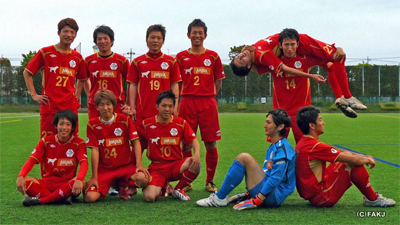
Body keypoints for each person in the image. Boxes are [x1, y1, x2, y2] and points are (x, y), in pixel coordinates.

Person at [239, 30, 366, 116]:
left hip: (302, 112)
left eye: (292, 45)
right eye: (287, 45)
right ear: (281, 45)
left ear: (297, 44)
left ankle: (345, 97)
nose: (290, 48)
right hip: (281, 111)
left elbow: (331, 66)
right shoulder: (268, 60)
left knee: (336, 57)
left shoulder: (304, 57)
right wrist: (310, 76)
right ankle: (344, 97)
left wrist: (337, 48)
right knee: (277, 144)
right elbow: (262, 68)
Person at [295, 105, 396, 207]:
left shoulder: (305, 142)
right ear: (312, 125)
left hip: (313, 194)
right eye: (320, 120)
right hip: (322, 197)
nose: (323, 123)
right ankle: (372, 198)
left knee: (347, 158)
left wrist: (362, 156)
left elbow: (338, 151)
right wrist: (367, 160)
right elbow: (353, 160)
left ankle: (371, 197)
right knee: (351, 162)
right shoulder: (313, 146)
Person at [196, 109, 296, 210]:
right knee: (243, 158)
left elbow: (276, 179)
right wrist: (249, 194)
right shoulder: (275, 146)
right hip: (269, 193)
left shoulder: (282, 150)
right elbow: (268, 173)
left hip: (273, 197)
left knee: (244, 158)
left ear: (280, 127)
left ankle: (219, 198)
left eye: (268, 122)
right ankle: (221, 196)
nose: (265, 125)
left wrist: (258, 199)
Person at [175, 19, 225, 192]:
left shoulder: (213, 56)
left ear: (205, 35)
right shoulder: (180, 57)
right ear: (188, 35)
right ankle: (187, 180)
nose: (197, 35)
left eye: (200, 33)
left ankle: (209, 180)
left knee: (210, 142)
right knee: (186, 144)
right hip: (187, 101)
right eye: (194, 32)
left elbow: (218, 81)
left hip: (207, 102)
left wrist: (209, 95)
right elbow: (176, 82)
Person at [23, 18, 88, 137]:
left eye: (72, 32)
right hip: (50, 107)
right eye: (65, 31)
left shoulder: (77, 57)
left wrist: (77, 94)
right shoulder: (45, 52)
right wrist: (34, 95)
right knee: (48, 143)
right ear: (59, 33)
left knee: (72, 143)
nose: (69, 35)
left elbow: (82, 78)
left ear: (75, 35)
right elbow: (27, 73)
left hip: (70, 106)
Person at [84, 90, 149, 202]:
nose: (105, 108)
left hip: (124, 167)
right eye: (102, 105)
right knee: (89, 198)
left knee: (143, 179)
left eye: (108, 104)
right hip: (105, 170)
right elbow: (94, 151)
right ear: (97, 107)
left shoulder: (125, 120)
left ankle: (121, 185)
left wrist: (139, 164)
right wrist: (94, 176)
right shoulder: (92, 124)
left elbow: (136, 142)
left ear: (113, 105)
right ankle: (95, 184)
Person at [16, 110, 88, 206]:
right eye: (61, 124)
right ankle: (61, 198)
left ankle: (42, 201)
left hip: (67, 184)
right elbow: (32, 160)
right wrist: (20, 176)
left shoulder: (79, 143)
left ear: (72, 127)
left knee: (82, 182)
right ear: (56, 126)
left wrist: (79, 179)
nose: (64, 128)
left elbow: (84, 163)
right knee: (24, 181)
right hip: (47, 184)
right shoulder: (45, 141)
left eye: (68, 124)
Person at [127, 24, 181, 151]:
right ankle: (136, 171)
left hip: (164, 113)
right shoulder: (137, 62)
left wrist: (175, 106)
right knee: (137, 149)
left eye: (158, 38)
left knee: (165, 149)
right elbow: (133, 85)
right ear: (146, 40)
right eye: (152, 37)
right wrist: (132, 107)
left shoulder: (171, 62)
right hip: (143, 113)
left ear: (163, 41)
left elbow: (175, 85)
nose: (155, 41)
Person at [141, 91, 200, 202]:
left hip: (175, 166)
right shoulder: (147, 124)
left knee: (195, 163)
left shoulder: (180, 123)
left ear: (174, 107)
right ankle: (163, 186)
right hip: (157, 168)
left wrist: (197, 154)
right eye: (164, 105)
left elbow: (194, 141)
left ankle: (178, 189)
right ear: (157, 106)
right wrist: (138, 164)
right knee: (149, 197)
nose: (167, 109)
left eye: (170, 106)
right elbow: (138, 145)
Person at [84, 25, 130, 120]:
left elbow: (130, 83)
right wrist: (90, 95)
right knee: (96, 132)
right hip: (95, 104)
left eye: (106, 38)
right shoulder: (88, 60)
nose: (103, 41)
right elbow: (83, 79)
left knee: (117, 133)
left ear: (112, 41)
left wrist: (128, 103)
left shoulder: (122, 61)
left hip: (116, 104)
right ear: (95, 42)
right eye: (99, 39)